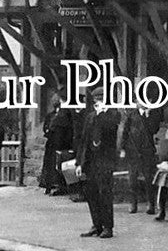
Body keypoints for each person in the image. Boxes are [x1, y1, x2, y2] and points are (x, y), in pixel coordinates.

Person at [79, 86, 123, 238]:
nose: (98, 102)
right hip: (91, 161)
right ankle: (96, 225)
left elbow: (109, 129)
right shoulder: (90, 116)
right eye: (96, 99)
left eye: (101, 99)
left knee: (105, 194)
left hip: (105, 161)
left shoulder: (113, 115)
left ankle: (108, 227)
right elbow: (84, 141)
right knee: (91, 193)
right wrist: (80, 163)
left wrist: (102, 113)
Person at [118, 104, 160, 214]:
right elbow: (125, 132)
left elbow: (154, 129)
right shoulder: (131, 115)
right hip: (133, 150)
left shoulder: (152, 115)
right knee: (133, 178)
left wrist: (147, 116)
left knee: (148, 178)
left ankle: (151, 204)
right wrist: (122, 148)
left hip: (147, 151)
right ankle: (133, 204)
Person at [40, 92, 75, 196]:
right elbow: (46, 127)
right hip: (51, 144)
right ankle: (48, 185)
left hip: (61, 144)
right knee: (50, 166)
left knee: (58, 165)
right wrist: (47, 131)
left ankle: (60, 186)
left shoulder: (66, 114)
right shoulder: (51, 115)